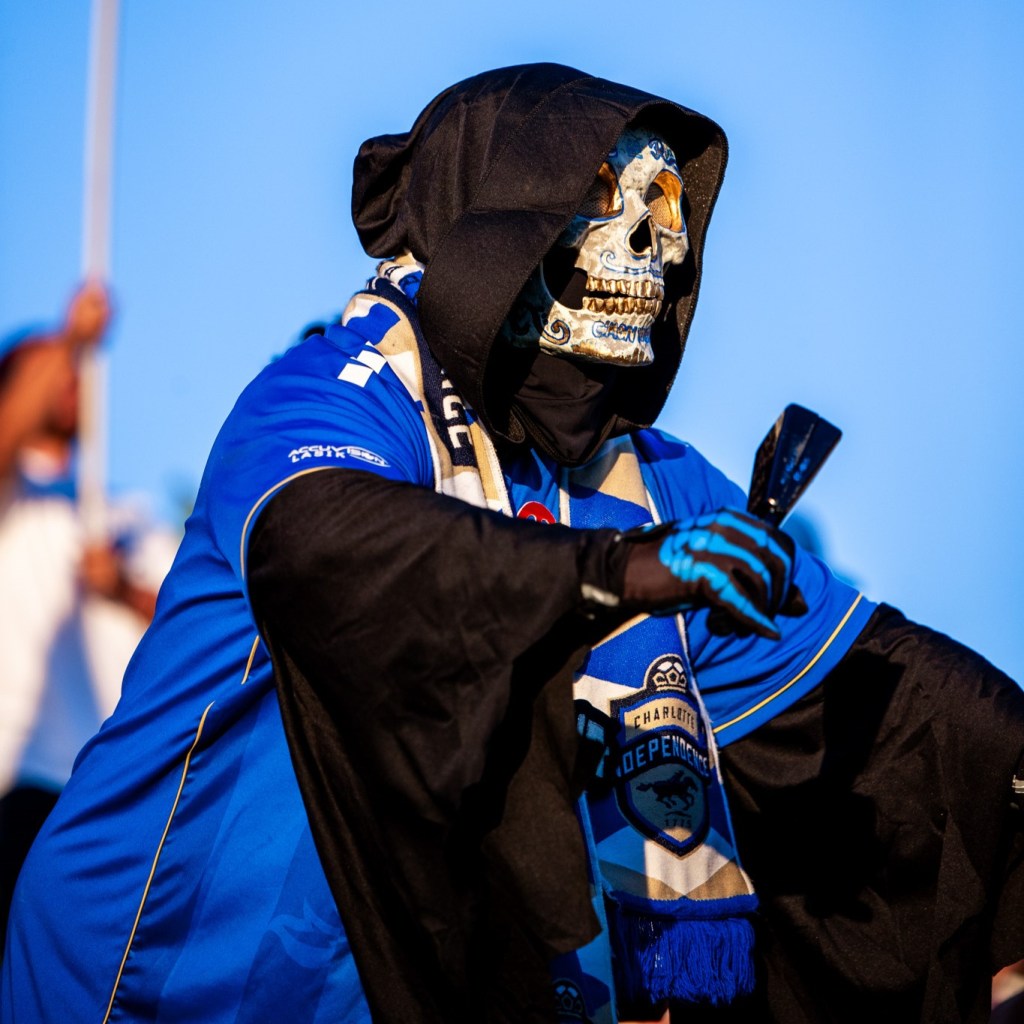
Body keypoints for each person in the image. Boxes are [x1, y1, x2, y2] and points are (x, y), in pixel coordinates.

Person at [1, 65, 1020, 1024]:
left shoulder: (654, 480)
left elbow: (891, 704)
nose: (654, 250)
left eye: (669, 214)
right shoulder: (333, 396)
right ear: (488, 222)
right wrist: (611, 573)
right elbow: (334, 548)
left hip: (391, 984)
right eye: (605, 202)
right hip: (156, 971)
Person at [0, 282, 174, 951]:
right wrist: (71, 336)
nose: (72, 378)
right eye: (51, 369)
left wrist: (123, 591)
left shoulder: (128, 518)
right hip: (16, 782)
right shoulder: (15, 498)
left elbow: (195, 631)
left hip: (102, 802)